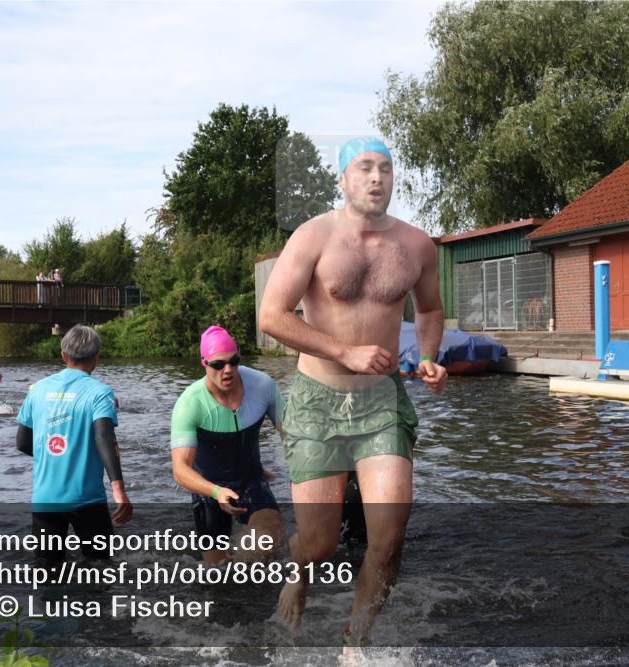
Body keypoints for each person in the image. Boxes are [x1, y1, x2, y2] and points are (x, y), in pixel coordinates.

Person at [258, 137, 448, 645]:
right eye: (364, 168)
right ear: (342, 179)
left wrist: (429, 356)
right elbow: (271, 316)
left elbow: (428, 310)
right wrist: (345, 352)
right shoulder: (313, 236)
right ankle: (298, 571)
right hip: (319, 400)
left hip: (383, 402)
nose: (376, 178)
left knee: (388, 539)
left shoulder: (415, 245)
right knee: (318, 543)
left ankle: (355, 640)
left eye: (385, 168)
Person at [15, 325, 132, 562]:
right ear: (96, 357)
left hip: (45, 498)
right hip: (87, 499)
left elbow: (22, 443)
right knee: (101, 570)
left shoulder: (37, 390)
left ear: (64, 356)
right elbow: (104, 437)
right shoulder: (101, 393)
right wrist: (118, 489)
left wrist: (56, 459)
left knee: (48, 572)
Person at [170, 326, 284, 565]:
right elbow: (180, 470)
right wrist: (216, 491)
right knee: (218, 571)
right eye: (219, 365)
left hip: (250, 479)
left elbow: (293, 435)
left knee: (266, 547)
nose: (228, 370)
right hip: (209, 489)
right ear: (204, 363)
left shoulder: (262, 386)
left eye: (234, 361)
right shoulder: (190, 403)